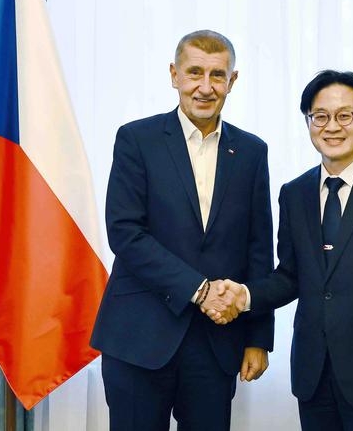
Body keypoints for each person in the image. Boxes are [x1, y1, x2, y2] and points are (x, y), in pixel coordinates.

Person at [207, 70, 353, 430]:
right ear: (309, 123)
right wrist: (244, 295)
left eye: (345, 115)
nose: (332, 127)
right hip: (312, 372)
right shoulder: (294, 193)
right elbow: (289, 276)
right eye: (320, 116)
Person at [90, 30, 274, 431]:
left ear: (232, 81)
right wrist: (200, 290)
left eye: (217, 75)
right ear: (174, 75)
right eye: (194, 73)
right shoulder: (136, 139)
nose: (205, 87)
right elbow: (125, 233)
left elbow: (259, 248)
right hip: (139, 337)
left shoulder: (252, 151)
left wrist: (258, 338)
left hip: (216, 345)